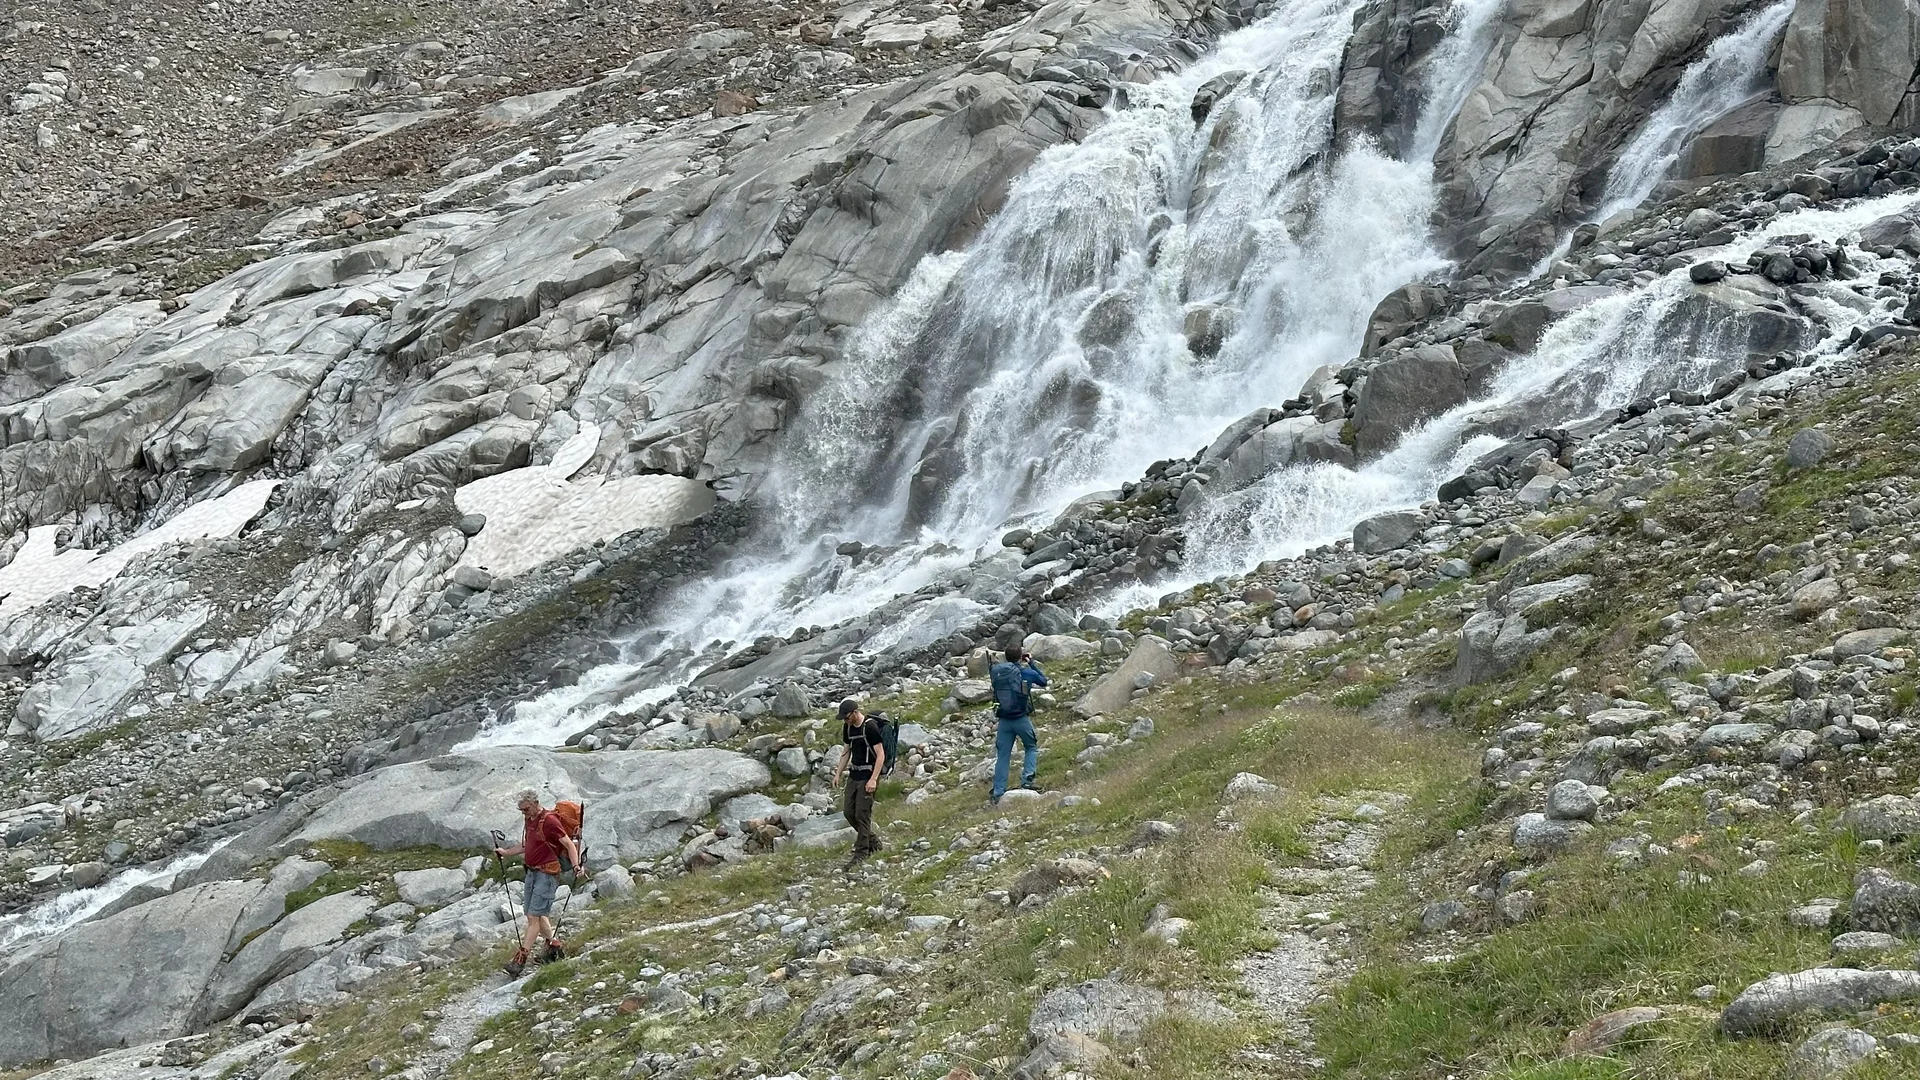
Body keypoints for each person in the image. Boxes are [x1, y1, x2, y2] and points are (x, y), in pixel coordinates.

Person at [493, 789, 587, 976]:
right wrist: (506, 852)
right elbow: (527, 844)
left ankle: (520, 960)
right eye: (521, 810)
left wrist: (576, 866)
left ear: (535, 803)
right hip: (532, 872)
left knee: (533, 918)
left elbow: (568, 844)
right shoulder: (529, 820)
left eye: (526, 809)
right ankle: (554, 948)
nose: (524, 813)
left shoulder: (550, 821)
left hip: (547, 873)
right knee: (534, 913)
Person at [988, 647, 1048, 804]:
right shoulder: (1026, 672)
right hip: (1021, 718)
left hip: (1004, 721)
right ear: (1020, 657)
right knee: (1031, 747)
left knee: (1003, 755)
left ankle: (998, 792)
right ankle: (1027, 780)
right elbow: (1043, 681)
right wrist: (1031, 663)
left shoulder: (997, 672)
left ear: (1006, 658)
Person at [831, 699, 886, 865]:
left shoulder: (869, 727)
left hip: (868, 775)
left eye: (847, 717)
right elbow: (846, 752)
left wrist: (874, 779)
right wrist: (838, 774)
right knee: (849, 812)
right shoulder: (848, 728)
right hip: (854, 774)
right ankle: (873, 842)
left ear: (855, 712)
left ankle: (861, 852)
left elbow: (880, 754)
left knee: (862, 814)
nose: (845, 721)